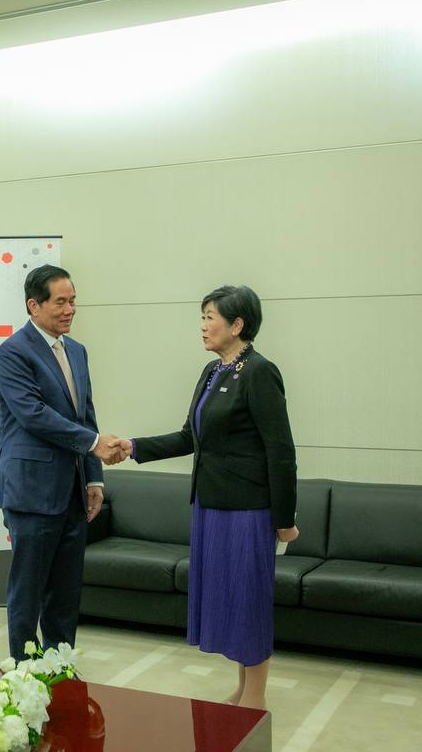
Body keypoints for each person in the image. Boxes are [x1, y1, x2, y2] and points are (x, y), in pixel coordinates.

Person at [122, 285, 298, 710]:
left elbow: (280, 450)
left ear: (237, 325)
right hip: (210, 505)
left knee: (249, 600)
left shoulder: (260, 372)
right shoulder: (212, 371)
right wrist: (133, 446)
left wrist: (284, 518)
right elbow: (190, 437)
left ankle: (255, 695)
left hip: (248, 509)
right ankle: (243, 686)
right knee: (230, 600)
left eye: (210, 317)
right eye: (201, 317)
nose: (203, 326)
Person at [0, 265, 125, 661]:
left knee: (65, 593)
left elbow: (86, 414)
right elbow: (33, 415)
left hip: (72, 492)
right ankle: (24, 674)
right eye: (60, 302)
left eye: (73, 301)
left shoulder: (77, 351)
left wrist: (94, 479)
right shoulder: (13, 352)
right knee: (28, 590)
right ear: (34, 305)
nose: (70, 310)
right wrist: (95, 444)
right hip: (31, 491)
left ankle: (59, 668)